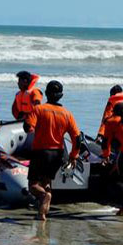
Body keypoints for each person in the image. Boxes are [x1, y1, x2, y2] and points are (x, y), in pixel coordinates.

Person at [24, 80, 81, 220]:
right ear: (61, 95)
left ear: (47, 94)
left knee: (33, 185)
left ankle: (44, 196)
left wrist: (30, 126)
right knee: (47, 182)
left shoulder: (39, 109)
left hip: (40, 151)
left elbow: (27, 127)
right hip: (57, 154)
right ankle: (42, 214)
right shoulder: (67, 114)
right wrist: (74, 156)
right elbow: (77, 138)